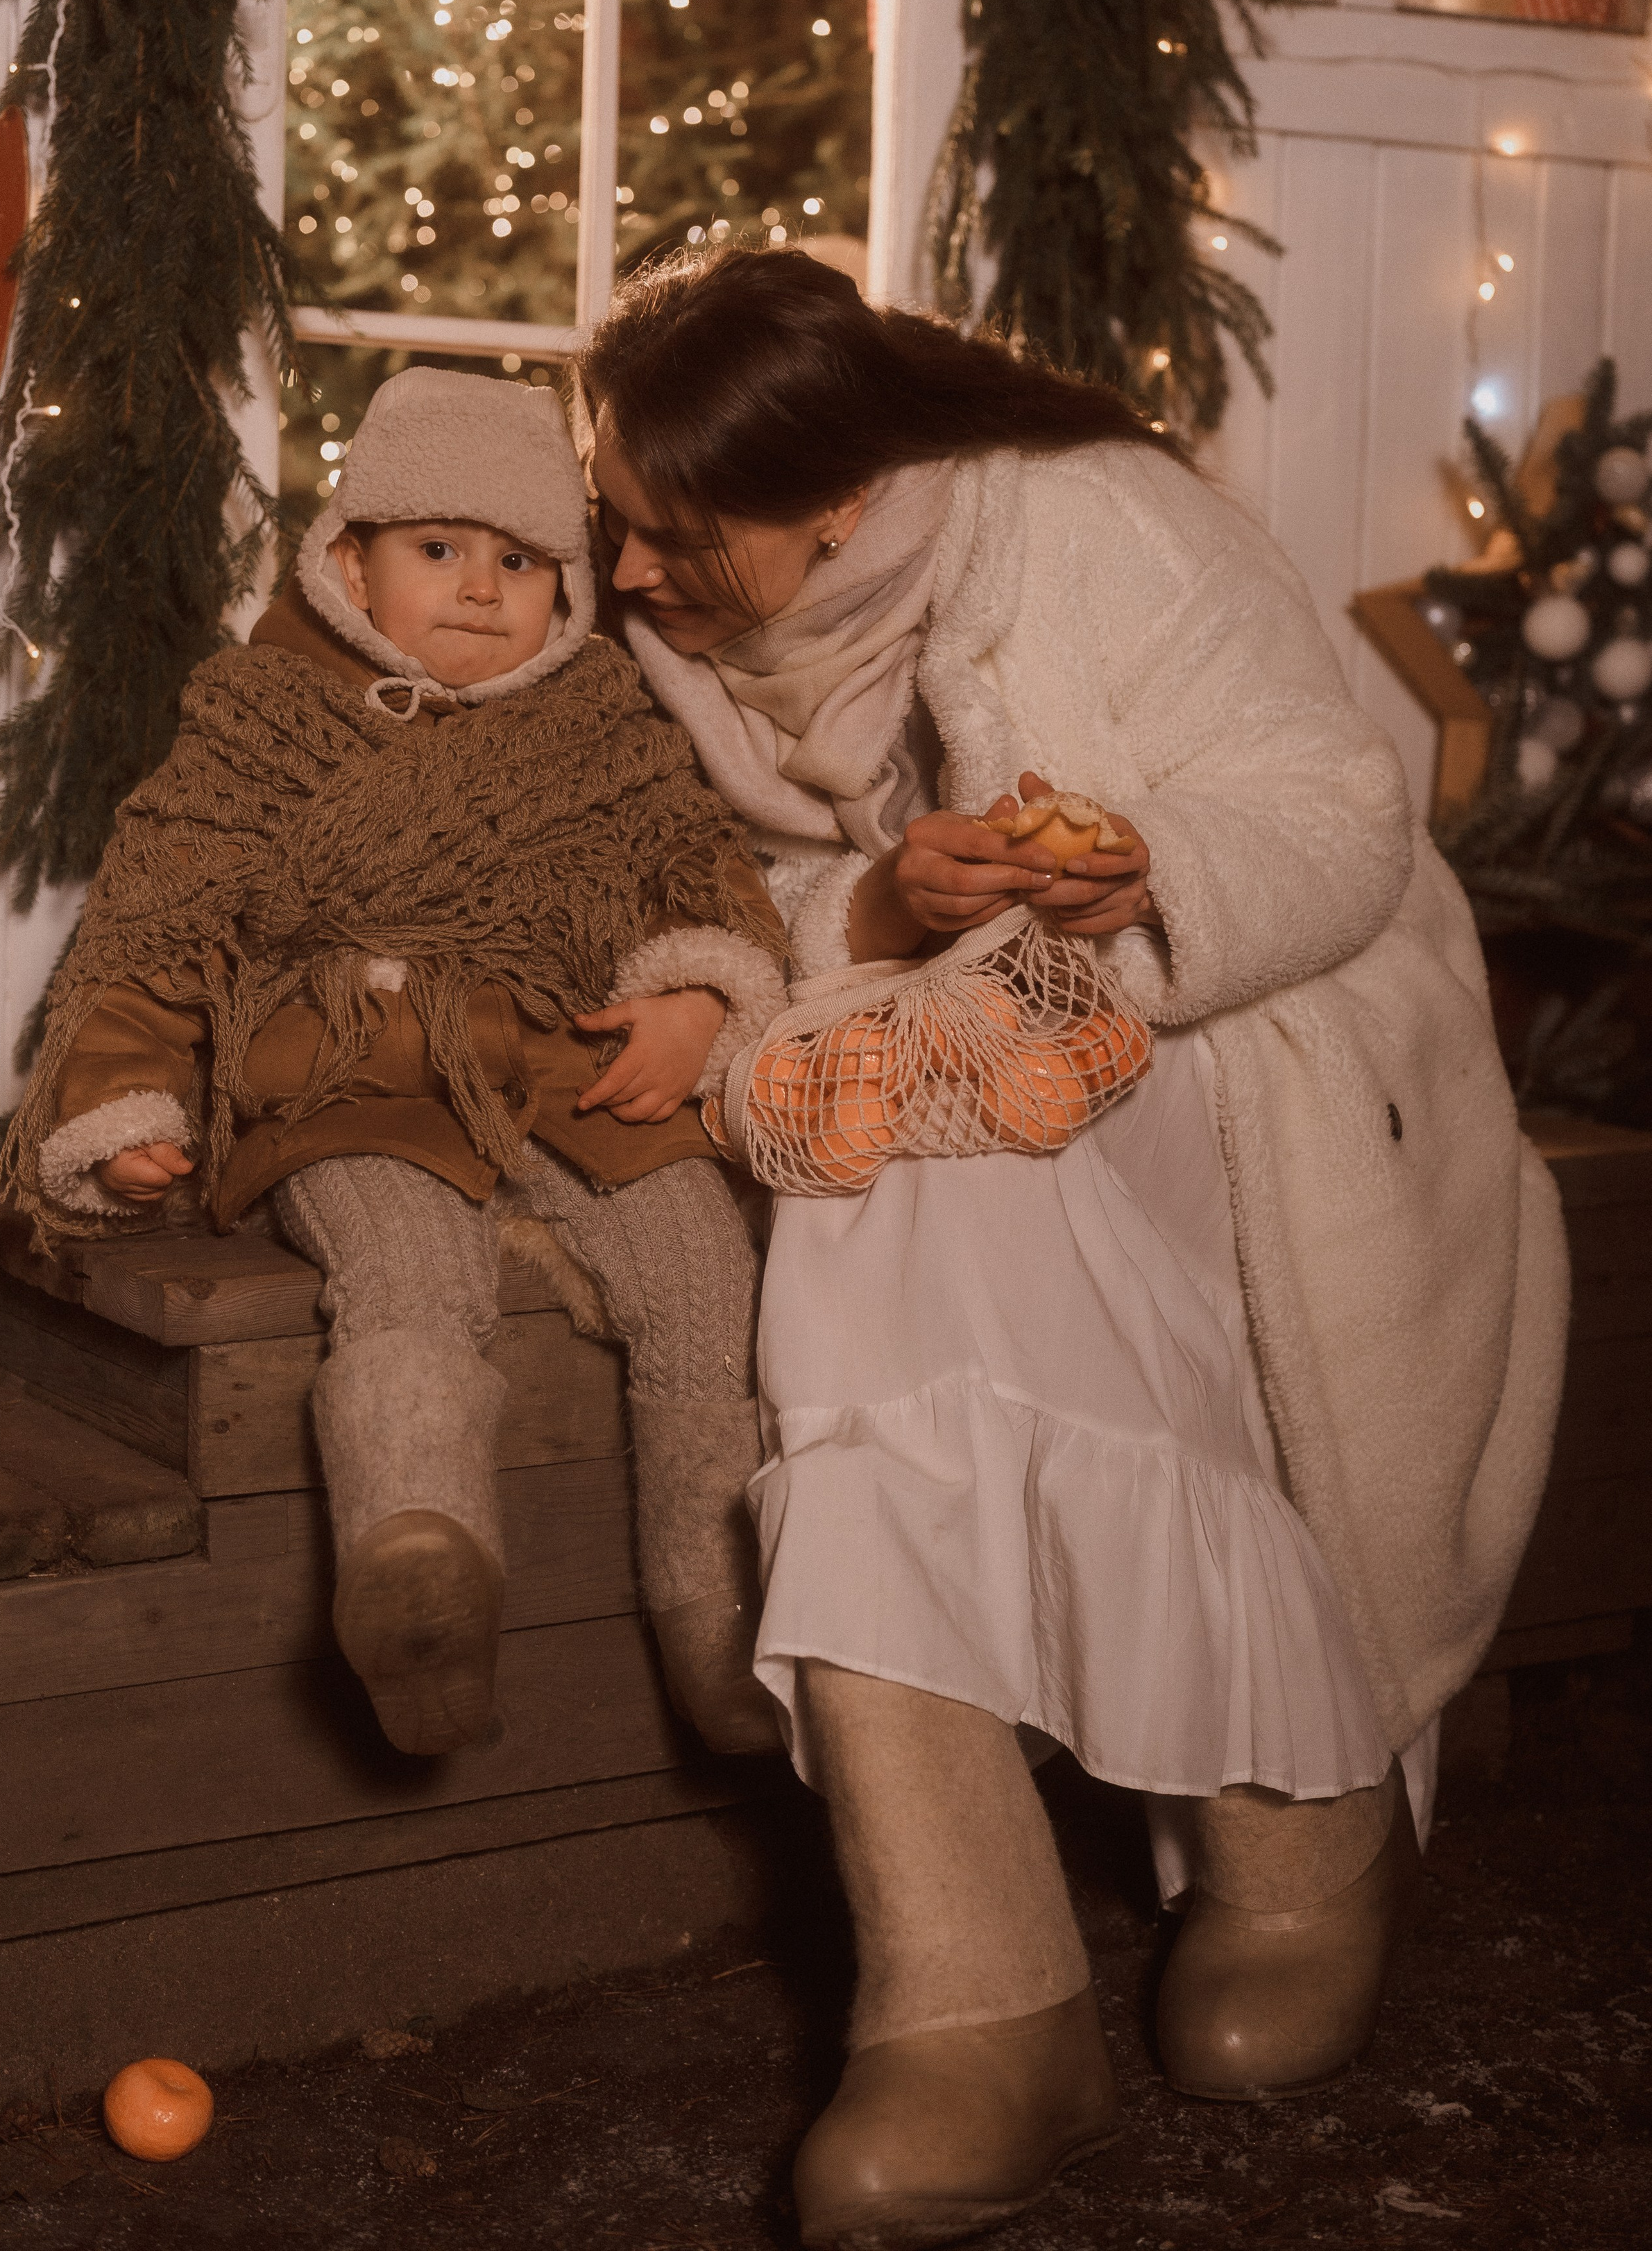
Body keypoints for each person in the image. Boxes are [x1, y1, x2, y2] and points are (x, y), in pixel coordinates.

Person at [577, 248, 1569, 2251]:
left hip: (1262, 1039)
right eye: (613, 525)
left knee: (932, 1163)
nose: (626, 580)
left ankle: (1184, 1889)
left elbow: (1337, 815)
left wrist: (1132, 877)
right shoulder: (688, 643)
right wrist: (879, 907)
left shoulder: (1099, 519)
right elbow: (750, 884)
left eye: (675, 536)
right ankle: (1005, 1965)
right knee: (919, 1159)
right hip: (975, 1062)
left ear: (836, 494)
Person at [2, 369, 789, 1762]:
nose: (481, 591)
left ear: (569, 586)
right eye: (438, 550)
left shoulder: (607, 726)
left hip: (569, 1063)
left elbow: (704, 874)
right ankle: (417, 1560)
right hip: (346, 1079)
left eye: (522, 562)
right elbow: (159, 928)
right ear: (349, 556)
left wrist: (694, 1000)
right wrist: (124, 1105)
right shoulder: (254, 716)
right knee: (410, 1280)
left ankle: (714, 1612)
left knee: (701, 1267)